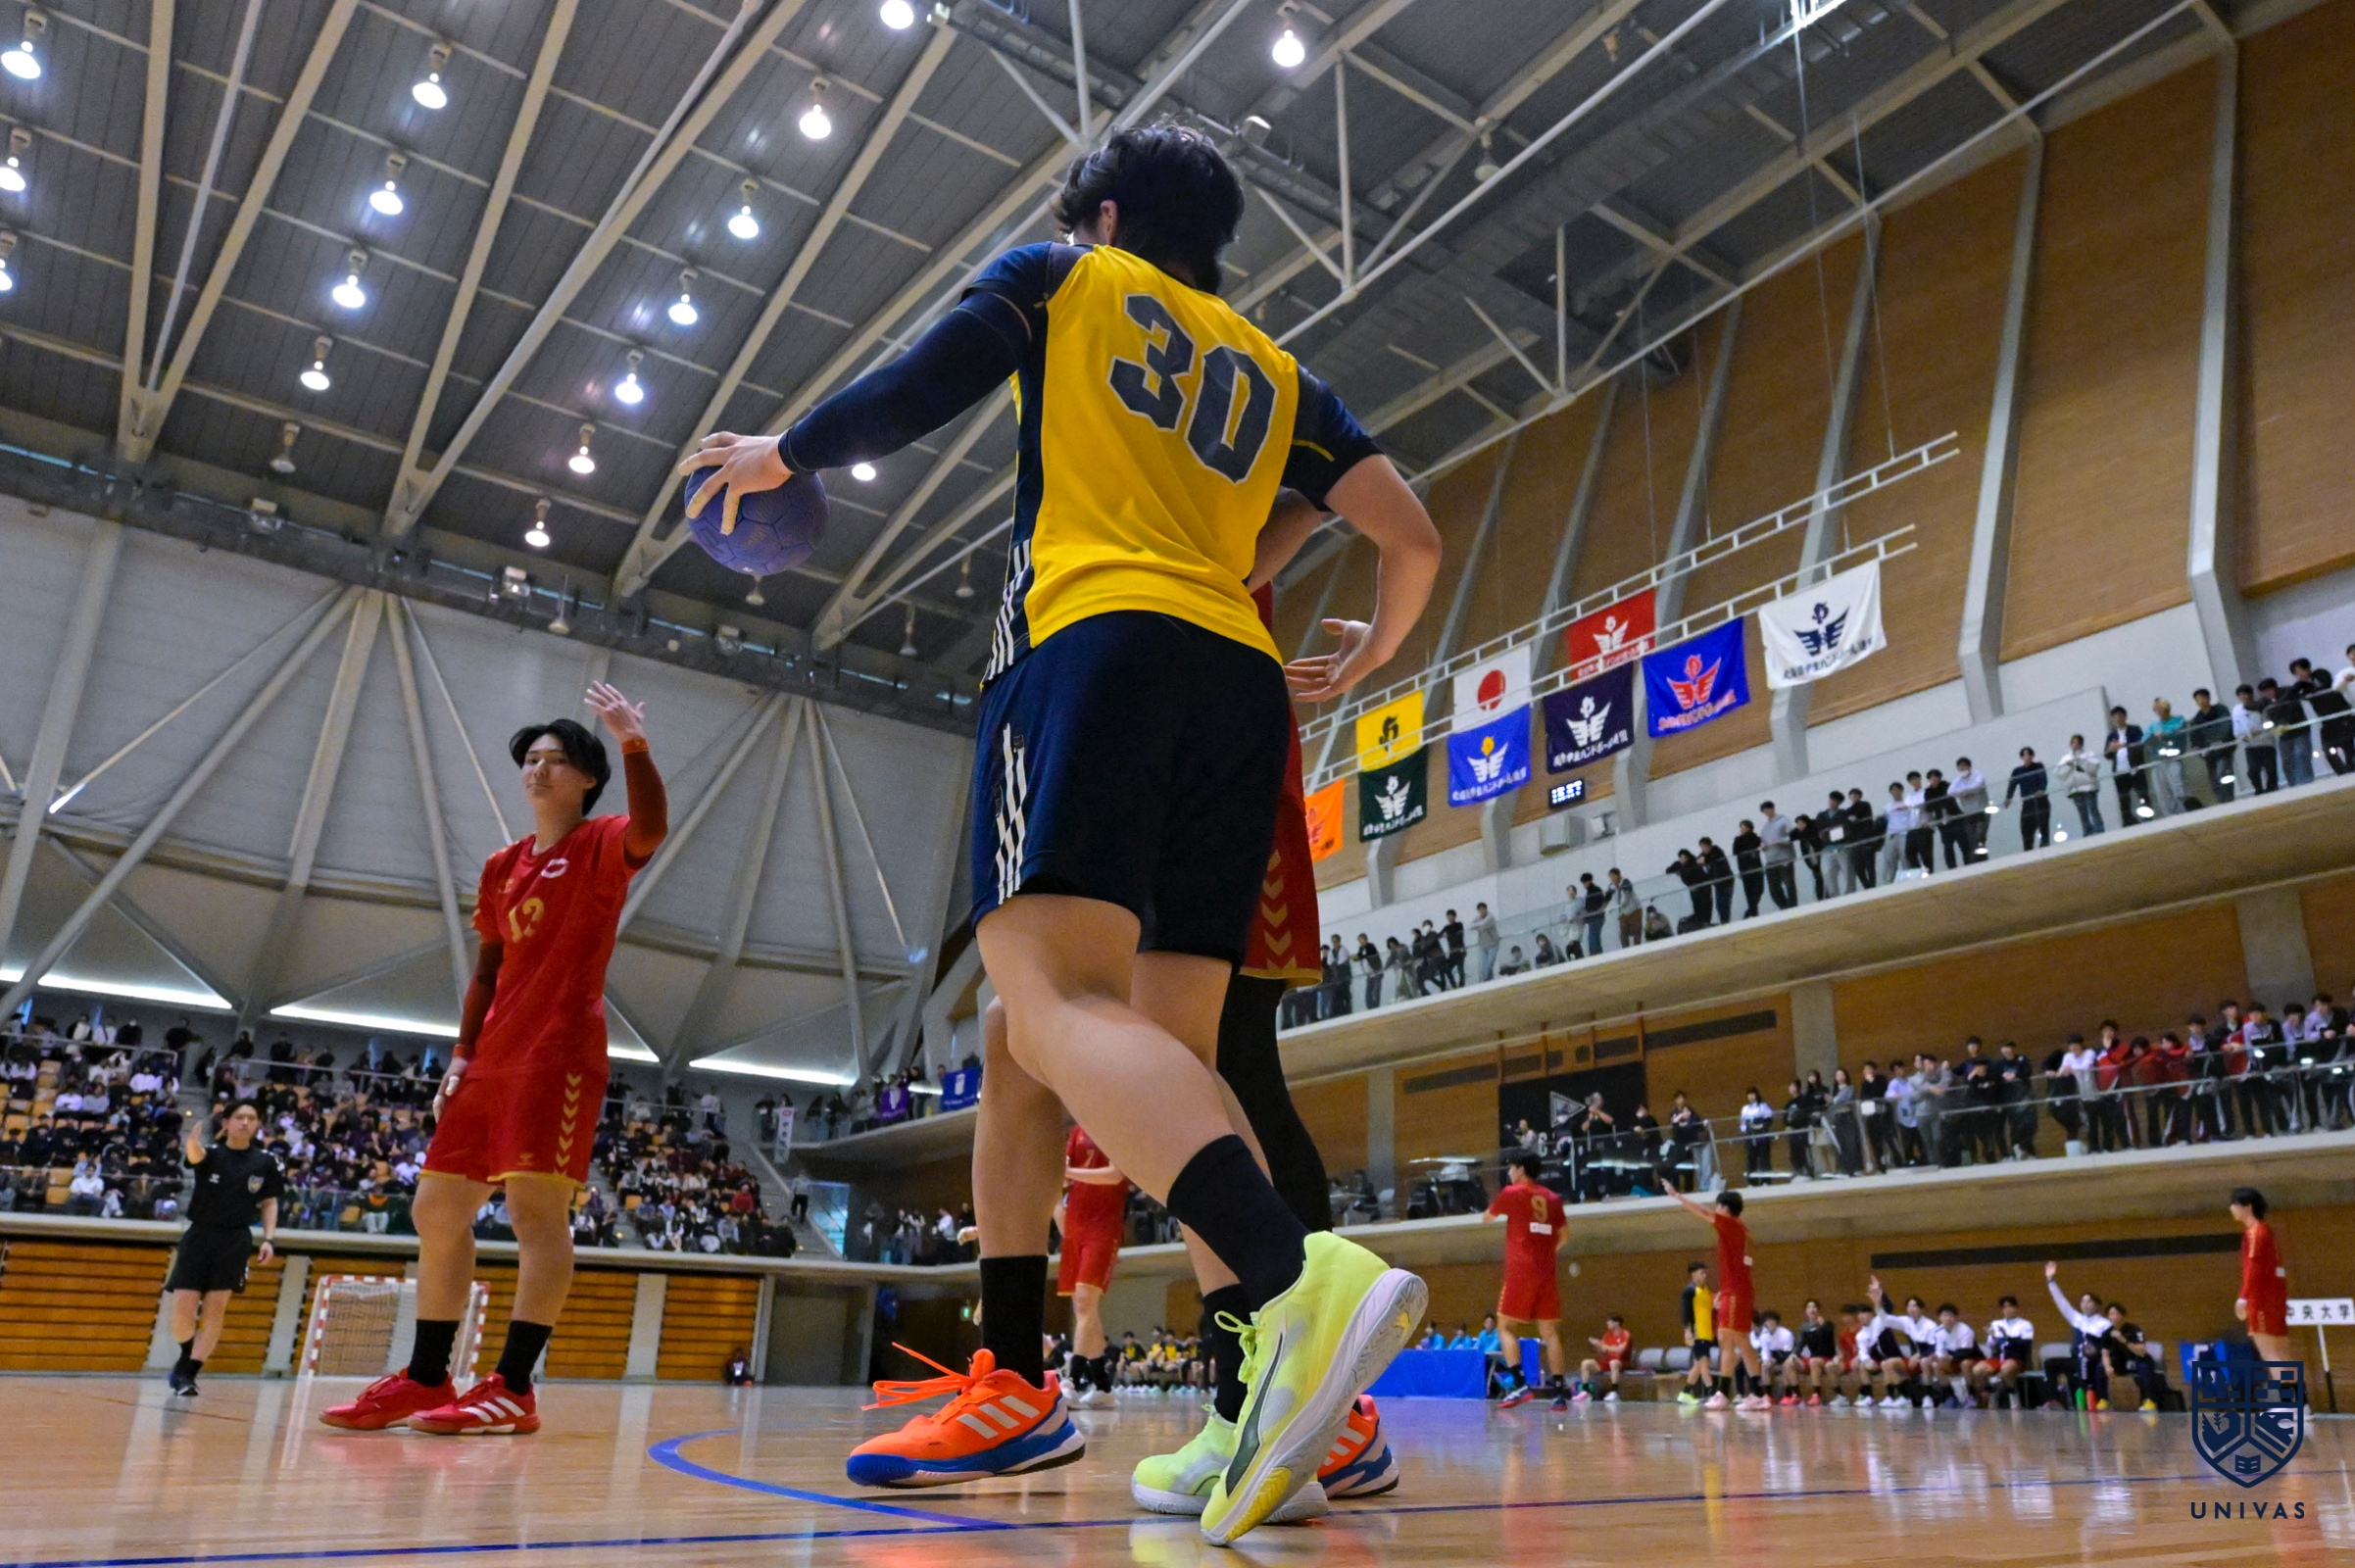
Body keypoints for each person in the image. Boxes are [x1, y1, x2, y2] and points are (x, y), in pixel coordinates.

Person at [691, 126, 1439, 1540]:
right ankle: (1252, 1401)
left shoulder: (1064, 276)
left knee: (1046, 1005)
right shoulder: (1278, 371)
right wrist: (1371, 653)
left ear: (1100, 214)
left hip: (1091, 644)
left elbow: (919, 386)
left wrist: (783, 448)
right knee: (1145, 1042)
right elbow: (1414, 538)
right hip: (1235, 682)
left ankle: (1294, 1281)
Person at [323, 684, 667, 1436]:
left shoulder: (602, 842)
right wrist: (460, 1054)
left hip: (557, 1055)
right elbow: (487, 969)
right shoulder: (501, 866)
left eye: (556, 760)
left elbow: (651, 827)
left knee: (534, 1214)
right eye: (531, 759)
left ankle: (513, 1386)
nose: (538, 770)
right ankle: (427, 1378)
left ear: (587, 778)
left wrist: (632, 740)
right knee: (436, 1208)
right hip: (491, 1059)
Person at [163, 1102, 282, 1397]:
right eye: (239, 1117)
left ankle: (188, 1375)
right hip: (199, 1235)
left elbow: (269, 1202)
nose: (245, 1122)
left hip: (235, 1240)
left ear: (258, 1124)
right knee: (183, 1308)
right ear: (226, 1122)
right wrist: (192, 1141)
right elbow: (195, 1156)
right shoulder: (212, 1154)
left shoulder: (265, 1161)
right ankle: (186, 1354)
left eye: (251, 1118)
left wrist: (269, 1239)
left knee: (216, 1308)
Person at [1055, 1108, 1132, 1409]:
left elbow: (1115, 1174)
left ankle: (1071, 1381)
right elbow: (1061, 1178)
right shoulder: (1077, 1130)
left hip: (1103, 1228)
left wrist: (1070, 1173)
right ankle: (1102, 1385)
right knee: (1083, 1306)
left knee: (1086, 1301)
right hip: (1075, 1224)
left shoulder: (1119, 1126)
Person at [1485, 1152, 1572, 1410]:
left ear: (1520, 1169)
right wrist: (1545, 1252)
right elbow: (1565, 1236)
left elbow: (1487, 1217)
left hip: (1521, 1271)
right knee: (1550, 1333)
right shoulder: (1553, 1199)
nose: (1509, 1173)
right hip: (1546, 1272)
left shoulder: (1512, 1193)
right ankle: (1559, 1394)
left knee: (1505, 1328)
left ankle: (1520, 1385)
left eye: (1511, 1168)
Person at [1671, 1188, 1763, 1409]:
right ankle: (1754, 1394)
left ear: (1725, 1208)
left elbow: (1704, 1213)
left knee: (1729, 1339)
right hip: (1738, 1290)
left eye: (1718, 1206)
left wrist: (1677, 1196)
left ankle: (1730, 1394)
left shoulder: (1731, 1224)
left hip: (1735, 1292)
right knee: (1738, 1340)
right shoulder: (1743, 1230)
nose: (1716, 1209)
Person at [2232, 1187, 2293, 1363]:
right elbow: (2277, 1269)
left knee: (2269, 1353)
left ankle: (2285, 1384)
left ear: (2247, 1207)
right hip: (2275, 1299)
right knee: (2283, 1352)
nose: (2231, 1208)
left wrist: (2243, 1297)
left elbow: (2253, 1267)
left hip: (2261, 1300)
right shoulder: (2267, 1231)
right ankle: (2296, 1384)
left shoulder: (2255, 1232)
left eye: (2234, 1204)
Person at [1974, 1295, 2036, 1408]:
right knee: (1978, 1369)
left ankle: (2013, 1394)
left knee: (2006, 1368)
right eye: (2004, 1307)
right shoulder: (1996, 1324)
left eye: (2010, 1306)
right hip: (1999, 1357)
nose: (2007, 1309)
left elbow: (2024, 1345)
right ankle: (1993, 1390)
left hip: (2017, 1358)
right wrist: (1993, 1338)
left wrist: (2007, 1339)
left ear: (2016, 1308)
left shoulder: (2025, 1324)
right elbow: (1991, 1345)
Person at [1676, 1261, 1715, 1405]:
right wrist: (1687, 1331)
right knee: (1704, 1363)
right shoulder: (1690, 1291)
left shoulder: (1706, 1290)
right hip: (1697, 1332)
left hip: (1707, 1333)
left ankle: (1685, 1393)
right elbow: (1685, 1312)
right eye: (1701, 1273)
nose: (1705, 1275)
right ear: (1693, 1274)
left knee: (1699, 1365)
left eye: (1705, 1273)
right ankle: (1712, 1393)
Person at [2056, 734, 2105, 837]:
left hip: (2089, 787)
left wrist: (2080, 762)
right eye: (2073, 743)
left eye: (2077, 743)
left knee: (2093, 809)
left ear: (2081, 744)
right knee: (2082, 812)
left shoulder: (2088, 755)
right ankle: (2087, 831)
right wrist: (2069, 766)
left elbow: (2093, 769)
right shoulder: (2066, 758)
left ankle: (2099, 829)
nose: (2075, 745)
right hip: (2075, 789)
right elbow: (2059, 774)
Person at [1576, 1313, 1632, 1402]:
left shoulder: (1625, 1334)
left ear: (1617, 1323)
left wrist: (1604, 1346)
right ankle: (1585, 1391)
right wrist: (1597, 1346)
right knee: (1585, 1363)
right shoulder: (1607, 1335)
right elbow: (1602, 1353)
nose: (1607, 1323)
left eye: (1610, 1321)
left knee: (1613, 1363)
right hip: (1606, 1362)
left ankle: (1614, 1392)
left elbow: (1620, 1350)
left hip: (1622, 1362)